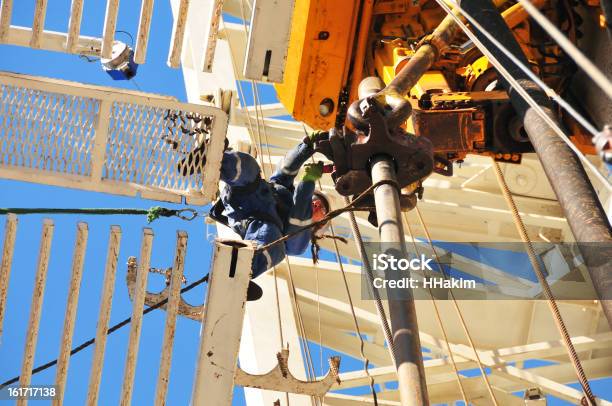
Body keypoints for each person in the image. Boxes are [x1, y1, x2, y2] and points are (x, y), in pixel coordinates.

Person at [178, 131, 330, 300]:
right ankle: (210, 160)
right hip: (248, 194)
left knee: (273, 244)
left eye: (323, 210)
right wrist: (306, 147)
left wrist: (309, 180)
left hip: (252, 220)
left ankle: (242, 271)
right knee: (250, 167)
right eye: (317, 200)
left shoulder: (299, 242)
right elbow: (285, 171)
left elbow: (301, 214)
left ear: (319, 226)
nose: (317, 204)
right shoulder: (285, 193)